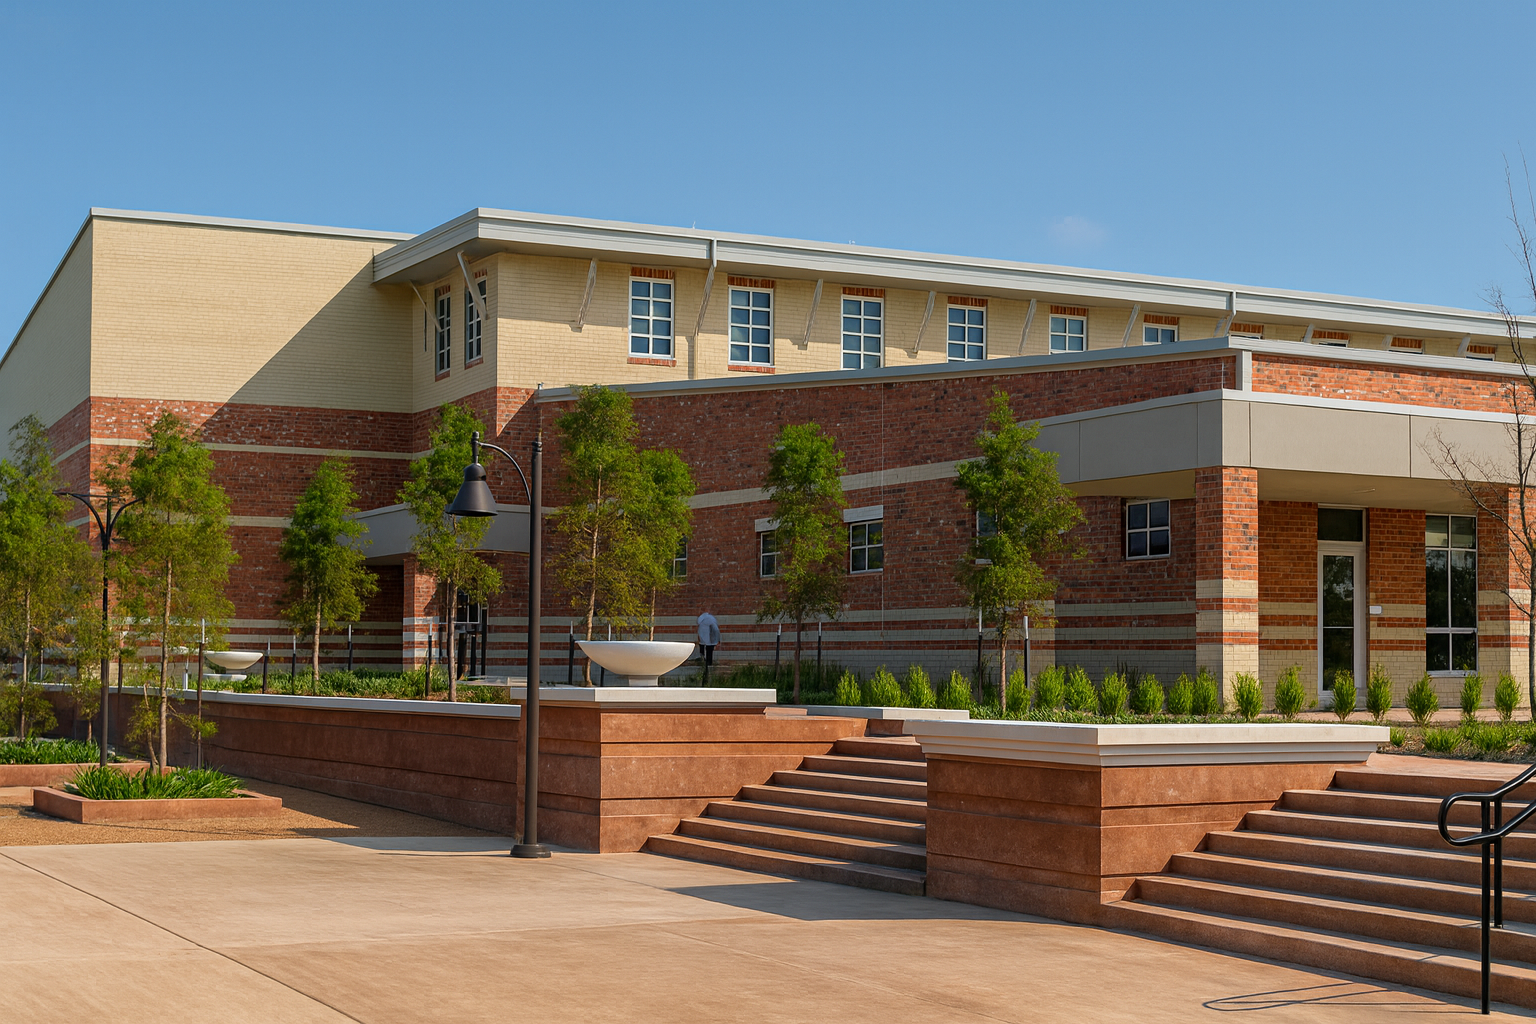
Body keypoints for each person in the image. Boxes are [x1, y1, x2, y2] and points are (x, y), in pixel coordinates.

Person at [696, 608, 720, 679]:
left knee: (703, 650)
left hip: (705, 639)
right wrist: (717, 640)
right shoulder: (712, 620)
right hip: (710, 639)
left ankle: (703, 662)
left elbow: (699, 630)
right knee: (709, 650)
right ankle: (708, 663)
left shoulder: (701, 620)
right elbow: (716, 630)